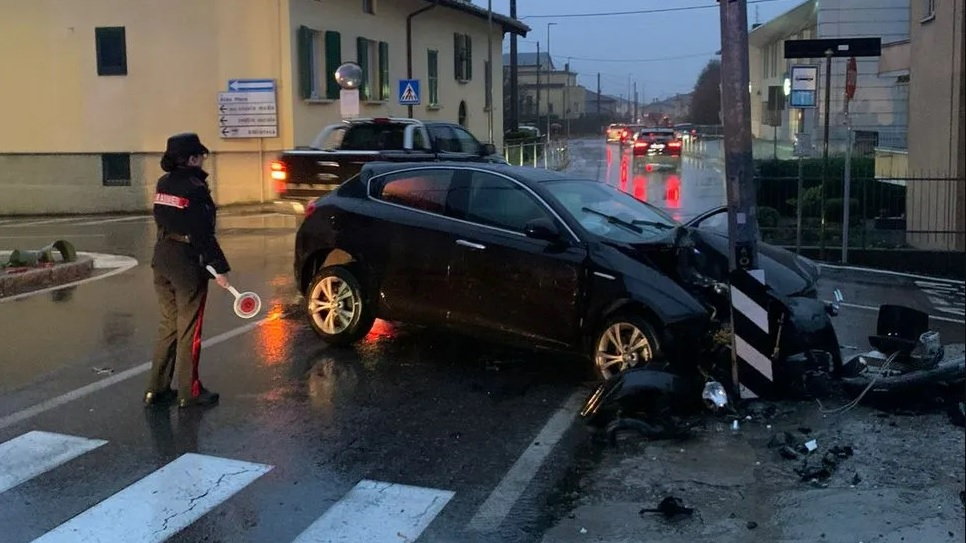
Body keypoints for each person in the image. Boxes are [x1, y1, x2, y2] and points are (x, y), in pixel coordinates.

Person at [143, 132, 230, 409]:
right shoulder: (195, 188)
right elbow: (203, 233)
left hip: (162, 257)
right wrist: (219, 269)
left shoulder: (163, 183)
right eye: (200, 156)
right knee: (189, 330)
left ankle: (156, 389)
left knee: (169, 325)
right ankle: (189, 392)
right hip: (186, 263)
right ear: (191, 158)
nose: (203, 161)